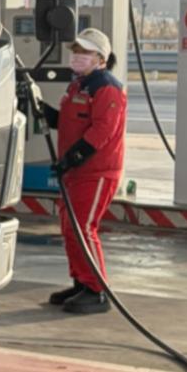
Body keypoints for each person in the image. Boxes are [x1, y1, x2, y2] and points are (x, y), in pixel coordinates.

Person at [40, 26, 127, 315]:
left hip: (96, 171)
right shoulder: (78, 86)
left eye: (85, 52)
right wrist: (41, 108)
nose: (77, 56)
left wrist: (73, 158)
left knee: (84, 228)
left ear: (101, 58)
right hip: (75, 171)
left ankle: (97, 290)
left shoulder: (107, 87)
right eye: (76, 50)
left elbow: (102, 131)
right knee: (70, 228)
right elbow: (66, 122)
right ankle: (82, 281)